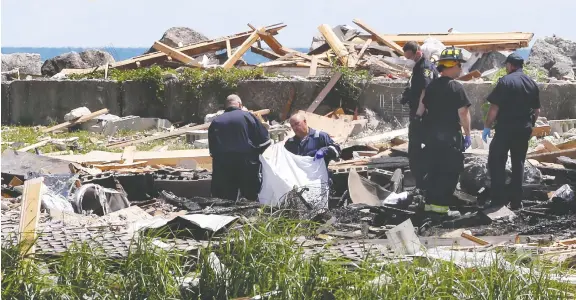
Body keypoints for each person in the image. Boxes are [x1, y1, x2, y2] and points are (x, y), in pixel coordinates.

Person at [483, 53, 540, 209]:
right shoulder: (531, 83)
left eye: (506, 65)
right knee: (518, 163)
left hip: (505, 129)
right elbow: (536, 110)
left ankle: (498, 200)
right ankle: (516, 201)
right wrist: (530, 125)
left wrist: (487, 126)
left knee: (496, 161)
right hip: (523, 130)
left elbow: (494, 108)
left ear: (510, 65)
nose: (506, 67)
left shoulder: (505, 81)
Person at [421, 46, 472, 206]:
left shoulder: (431, 87)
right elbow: (463, 113)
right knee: (449, 172)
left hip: (432, 136)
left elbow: (427, 109)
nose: (461, 68)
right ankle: (440, 209)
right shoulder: (456, 87)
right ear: (452, 65)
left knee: (434, 170)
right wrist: (468, 134)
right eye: (459, 65)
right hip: (449, 137)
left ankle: (430, 205)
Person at [208, 94, 271, 201]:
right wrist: (256, 154)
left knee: (225, 200)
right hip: (247, 164)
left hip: (223, 166)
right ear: (240, 104)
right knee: (250, 197)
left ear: (226, 106)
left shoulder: (216, 121)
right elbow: (264, 140)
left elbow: (212, 149)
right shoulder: (247, 116)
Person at [402, 41, 439, 189]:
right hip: (420, 114)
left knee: (416, 152)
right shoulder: (418, 66)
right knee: (416, 151)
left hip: (423, 117)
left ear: (417, 52)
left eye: (411, 56)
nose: (410, 60)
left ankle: (422, 185)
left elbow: (425, 92)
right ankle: (421, 184)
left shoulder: (425, 67)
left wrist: (418, 115)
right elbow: (417, 89)